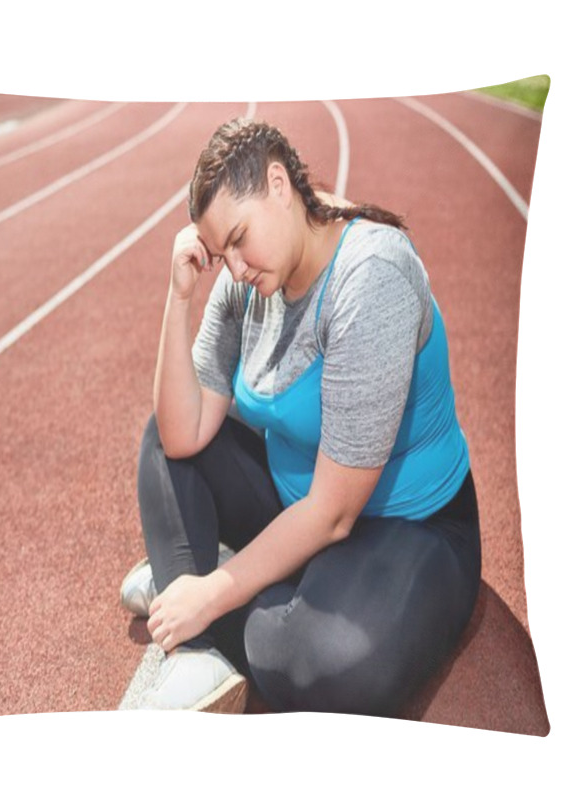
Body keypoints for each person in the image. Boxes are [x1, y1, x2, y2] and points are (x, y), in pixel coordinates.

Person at [121, 117, 482, 716]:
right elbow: (184, 436)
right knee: (163, 437)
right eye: (220, 252)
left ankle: (186, 591)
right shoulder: (247, 282)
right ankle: (197, 652)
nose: (233, 267)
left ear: (280, 185)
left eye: (238, 238)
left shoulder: (371, 277)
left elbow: (336, 512)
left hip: (405, 527)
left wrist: (209, 594)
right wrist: (178, 295)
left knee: (332, 671)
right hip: (297, 506)